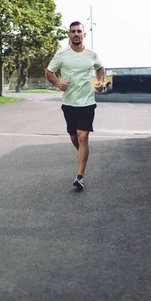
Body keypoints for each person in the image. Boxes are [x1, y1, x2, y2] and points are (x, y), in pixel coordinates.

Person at [45, 21, 104, 191]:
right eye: (73, 32)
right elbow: (48, 72)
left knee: (83, 136)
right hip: (69, 103)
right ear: (69, 35)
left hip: (87, 102)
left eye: (79, 31)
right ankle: (83, 154)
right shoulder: (62, 54)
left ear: (84, 34)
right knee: (74, 137)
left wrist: (100, 82)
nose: (76, 34)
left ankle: (79, 177)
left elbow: (100, 68)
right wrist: (57, 83)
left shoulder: (91, 54)